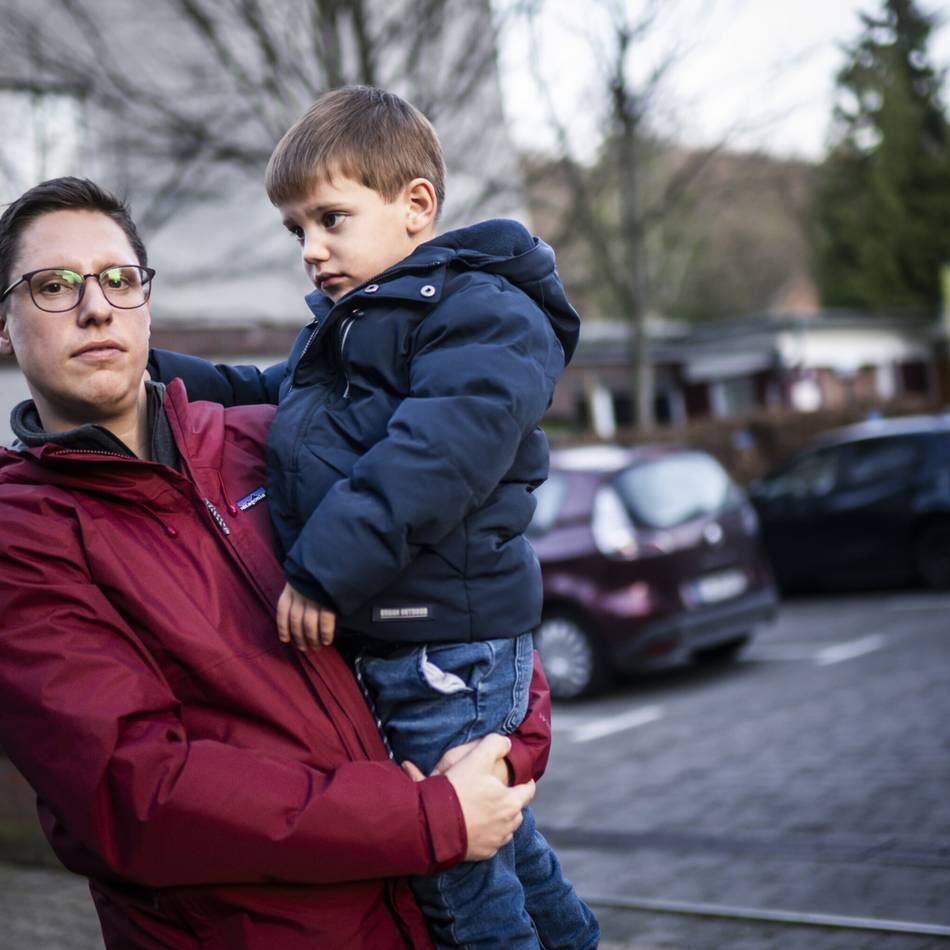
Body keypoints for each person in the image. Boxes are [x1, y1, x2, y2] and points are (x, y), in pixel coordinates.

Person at [0, 176, 554, 950]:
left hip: (425, 917)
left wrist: (501, 752)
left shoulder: (266, 439)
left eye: (119, 279)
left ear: (147, 304)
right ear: (4, 327)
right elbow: (139, 794)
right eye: (52, 286)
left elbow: (460, 586)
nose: (96, 306)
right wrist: (433, 817)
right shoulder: (21, 534)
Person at [148, 86, 599, 949]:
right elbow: (266, 398)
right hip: (414, 634)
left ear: (415, 206)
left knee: (454, 862)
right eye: (296, 232)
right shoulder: (356, 330)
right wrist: (150, 372)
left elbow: (436, 453)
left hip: (446, 640)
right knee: (502, 836)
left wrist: (324, 570)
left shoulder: (478, 314)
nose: (312, 251)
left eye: (330, 219)